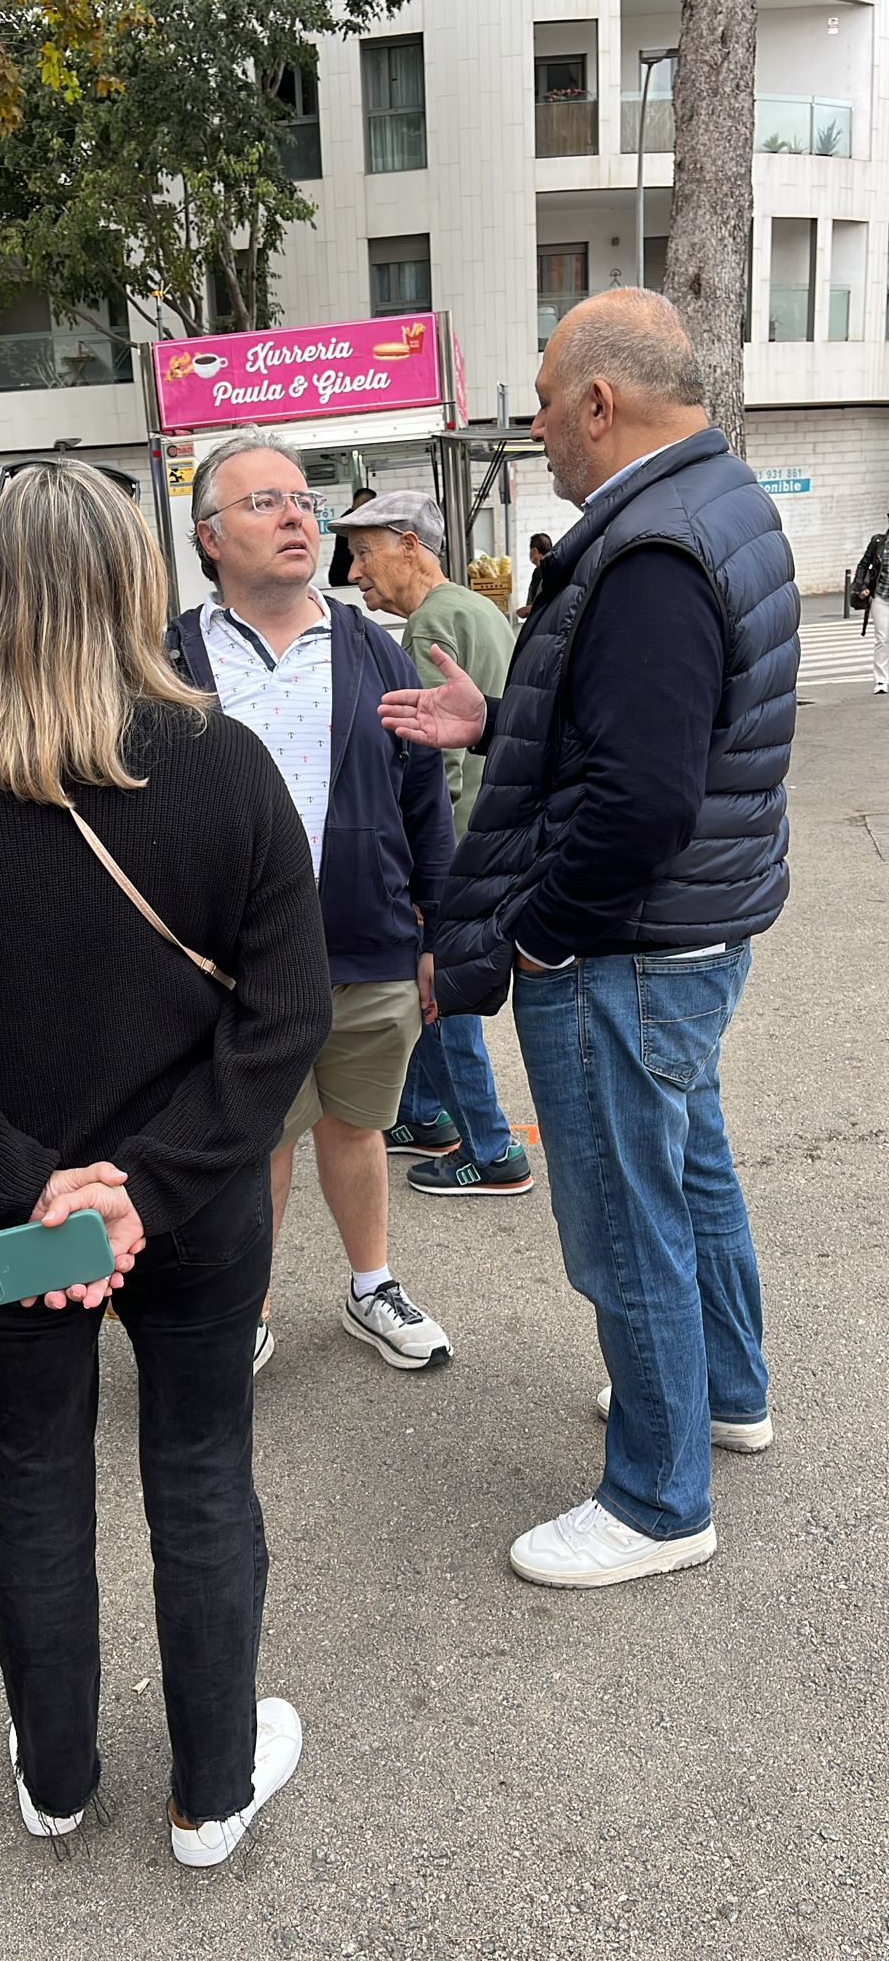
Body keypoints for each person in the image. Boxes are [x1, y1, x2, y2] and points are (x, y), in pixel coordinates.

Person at [0, 462, 333, 1863]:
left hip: (16, 1225)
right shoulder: (221, 760)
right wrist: (150, 1188)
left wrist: (30, 1185)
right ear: (137, 578)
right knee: (202, 1470)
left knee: (38, 1478)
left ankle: (56, 1776)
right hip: (203, 1202)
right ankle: (210, 1793)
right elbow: (287, 1009)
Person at [379, 289, 799, 1590]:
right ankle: (722, 1395)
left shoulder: (652, 548)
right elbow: (649, 733)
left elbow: (642, 798)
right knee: (691, 1177)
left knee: (628, 1218)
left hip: (626, 943)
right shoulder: (714, 505)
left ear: (602, 403)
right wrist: (499, 723)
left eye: (547, 404)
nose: (541, 428)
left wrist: (544, 938)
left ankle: (658, 1501)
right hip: (687, 935)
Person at [168, 427, 457, 1374]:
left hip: (369, 943)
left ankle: (370, 1286)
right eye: (264, 502)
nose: (297, 515)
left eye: (304, 501)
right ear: (210, 536)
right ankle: (243, 1308)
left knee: (359, 1123)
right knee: (260, 1137)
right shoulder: (166, 662)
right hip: (231, 961)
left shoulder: (373, 648)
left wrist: (436, 930)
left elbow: (424, 797)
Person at [333, 489, 532, 1199]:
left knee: (436, 990)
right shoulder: (479, 608)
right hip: (499, 829)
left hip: (461, 843)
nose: (356, 574)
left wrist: (419, 873)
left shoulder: (429, 627)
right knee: (421, 987)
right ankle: (419, 1113)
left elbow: (429, 762)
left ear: (409, 545)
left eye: (364, 553)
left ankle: (491, 1146)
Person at [852, 523, 889, 694]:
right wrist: (859, 587)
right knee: (882, 638)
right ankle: (881, 680)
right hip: (881, 597)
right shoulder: (879, 542)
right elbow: (863, 565)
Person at [327, 486, 376, 585]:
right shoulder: (353, 522)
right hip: (345, 576)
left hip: (341, 574)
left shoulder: (347, 518)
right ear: (366, 503)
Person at [514, 533, 553, 623]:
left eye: (530, 550)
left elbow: (544, 603)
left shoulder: (543, 572)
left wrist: (527, 610)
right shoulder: (546, 569)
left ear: (535, 551)